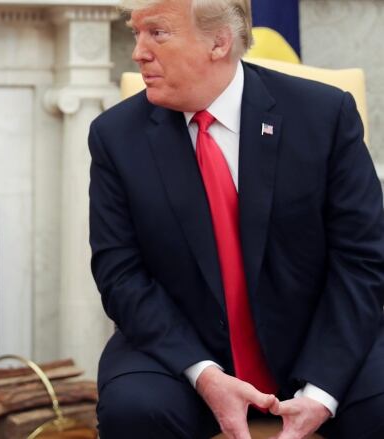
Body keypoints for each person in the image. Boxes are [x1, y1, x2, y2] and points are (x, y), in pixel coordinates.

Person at [89, 0, 384, 438]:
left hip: (318, 339)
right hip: (184, 349)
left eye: (157, 33)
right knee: (134, 410)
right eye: (136, 33)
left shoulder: (323, 116)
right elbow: (120, 274)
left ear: (219, 42)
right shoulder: (115, 136)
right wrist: (204, 373)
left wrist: (321, 392)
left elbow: (362, 261)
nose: (138, 52)